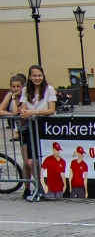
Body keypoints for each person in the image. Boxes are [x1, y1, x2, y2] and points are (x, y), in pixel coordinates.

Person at [18, 65, 56, 200]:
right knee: (30, 162)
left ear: (43, 76)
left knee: (42, 159)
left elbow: (51, 109)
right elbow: (23, 107)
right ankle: (39, 186)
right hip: (31, 127)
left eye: (39, 75)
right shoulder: (25, 90)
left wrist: (34, 112)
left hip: (45, 126)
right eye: (34, 75)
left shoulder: (49, 89)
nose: (37, 78)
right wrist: (24, 112)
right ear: (29, 77)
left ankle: (43, 187)